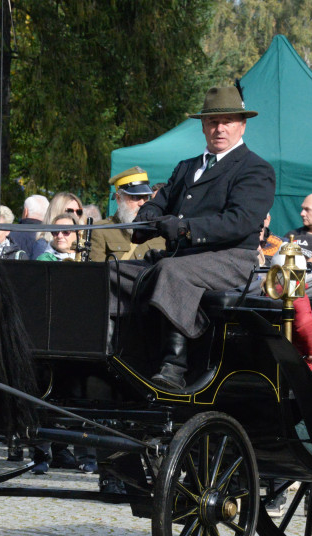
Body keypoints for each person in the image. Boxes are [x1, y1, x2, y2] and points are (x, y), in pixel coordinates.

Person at [116, 84, 276, 392]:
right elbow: (158, 203)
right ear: (203, 126)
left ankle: (174, 366)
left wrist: (186, 228)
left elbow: (240, 221)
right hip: (181, 258)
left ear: (241, 125)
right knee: (110, 272)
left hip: (231, 260)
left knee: (170, 272)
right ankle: (112, 349)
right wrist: (148, 217)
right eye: (213, 122)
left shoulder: (255, 169)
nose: (220, 128)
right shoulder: (186, 167)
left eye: (227, 121)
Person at [89, 166, 165, 262]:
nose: (142, 203)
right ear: (119, 198)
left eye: (145, 197)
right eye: (135, 197)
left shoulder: (158, 230)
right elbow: (98, 273)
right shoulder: (101, 230)